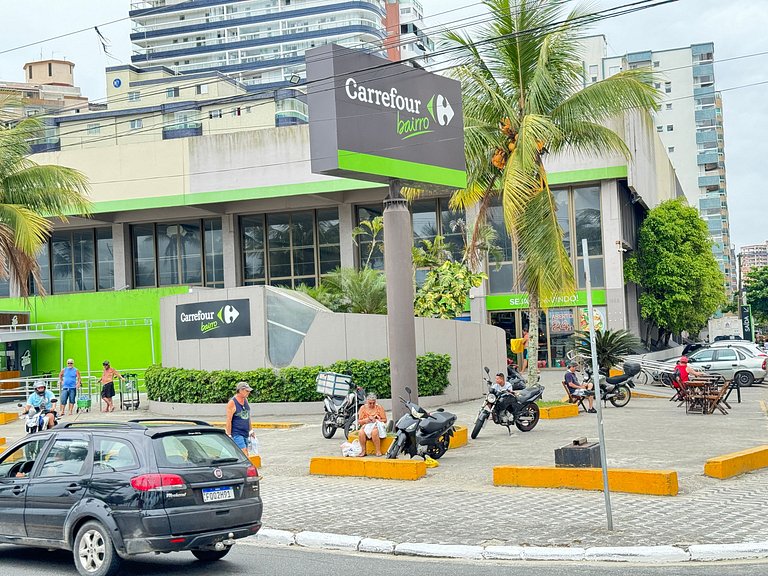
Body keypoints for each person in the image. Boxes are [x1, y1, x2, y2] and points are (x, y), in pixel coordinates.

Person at [225, 382, 252, 454]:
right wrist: (229, 434)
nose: (248, 393)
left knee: (245, 454)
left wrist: (251, 430)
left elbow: (247, 416)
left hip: (245, 432)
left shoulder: (245, 400)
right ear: (240, 390)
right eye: (247, 391)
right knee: (244, 453)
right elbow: (229, 419)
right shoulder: (232, 402)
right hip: (237, 433)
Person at [356, 393, 387, 457]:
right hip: (366, 426)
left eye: (374, 403)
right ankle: (363, 451)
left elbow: (385, 420)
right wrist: (366, 420)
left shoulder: (379, 408)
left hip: (376, 426)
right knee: (361, 432)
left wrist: (376, 420)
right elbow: (359, 421)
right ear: (367, 402)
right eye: (370, 403)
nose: (372, 405)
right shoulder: (363, 408)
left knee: (374, 432)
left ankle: (378, 451)